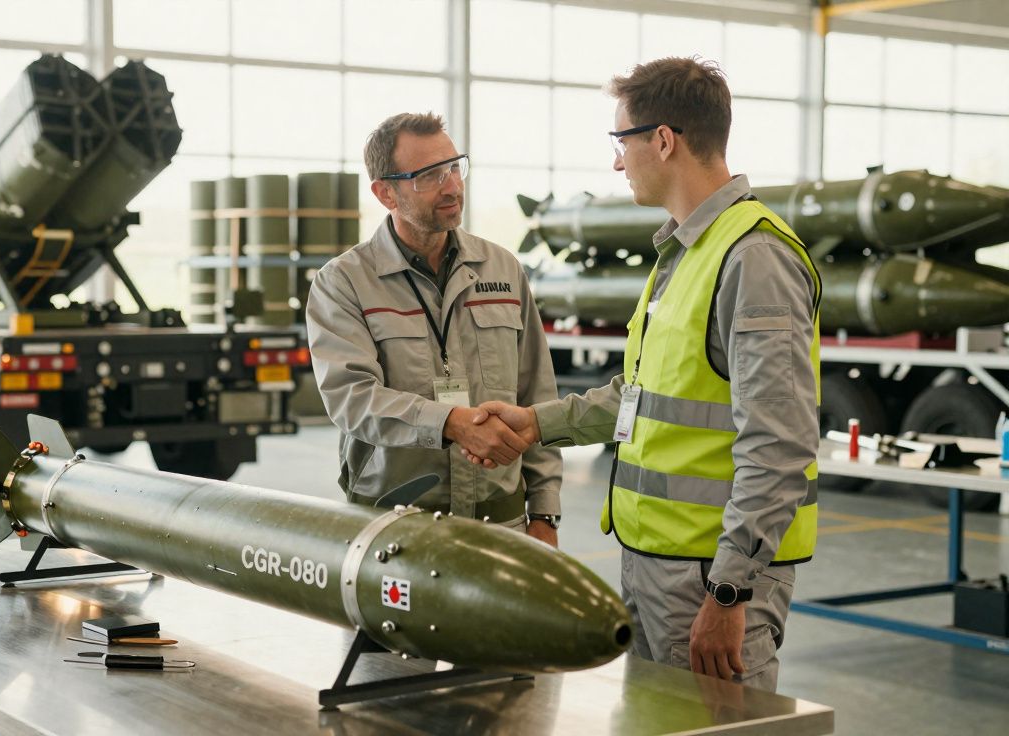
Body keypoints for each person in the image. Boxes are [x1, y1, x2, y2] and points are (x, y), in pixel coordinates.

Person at [465, 58, 820, 692]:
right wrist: (536, 423)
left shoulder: (753, 257)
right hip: (657, 567)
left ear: (662, 140)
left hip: (709, 577)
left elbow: (779, 443)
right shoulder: (684, 251)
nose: (616, 161)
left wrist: (730, 589)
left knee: (719, 731)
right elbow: (643, 398)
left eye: (620, 140)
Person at [305, 112, 563, 543]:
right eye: (429, 175)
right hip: (394, 529)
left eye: (454, 167)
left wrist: (544, 511)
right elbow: (353, 398)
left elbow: (537, 395)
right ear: (385, 192)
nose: (452, 186)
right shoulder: (344, 282)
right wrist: (450, 423)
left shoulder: (502, 269)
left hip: (502, 526)